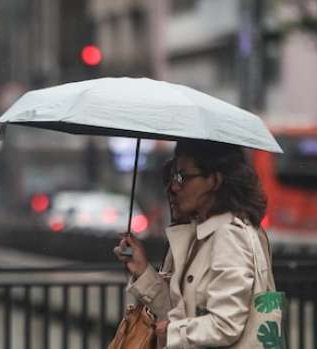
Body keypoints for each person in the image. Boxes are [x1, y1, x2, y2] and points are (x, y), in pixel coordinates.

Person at [113, 139, 275, 348]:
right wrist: (142, 271)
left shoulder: (229, 236)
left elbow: (226, 324)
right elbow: (182, 312)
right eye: (172, 176)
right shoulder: (203, 235)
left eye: (182, 177)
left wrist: (172, 332)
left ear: (214, 180)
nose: (173, 186)